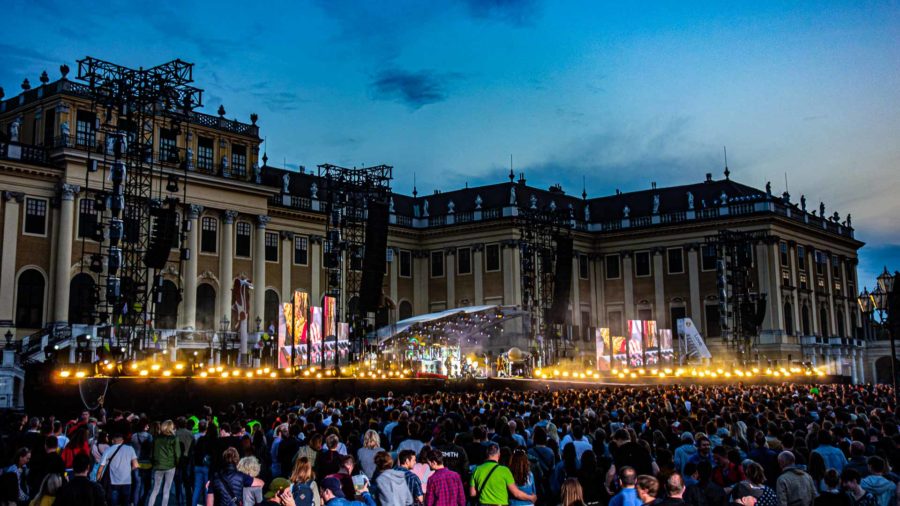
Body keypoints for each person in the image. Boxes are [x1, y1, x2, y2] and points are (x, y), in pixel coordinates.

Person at [470, 444, 536, 506]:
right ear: (499, 455)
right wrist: (531, 497)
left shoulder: (476, 469)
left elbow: (472, 493)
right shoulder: (505, 470)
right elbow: (516, 493)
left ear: (486, 454)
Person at [147, 419, 182, 506]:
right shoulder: (174, 439)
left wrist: (154, 463)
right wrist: (176, 464)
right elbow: (178, 454)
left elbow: (151, 454)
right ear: (171, 427)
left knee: (155, 490)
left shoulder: (156, 439)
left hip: (158, 466)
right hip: (170, 466)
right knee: (166, 490)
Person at [97, 433, 138, 506]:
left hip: (113, 482)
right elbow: (135, 465)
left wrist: (98, 478)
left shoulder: (108, 450)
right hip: (127, 481)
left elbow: (101, 467)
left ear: (113, 441)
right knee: (125, 502)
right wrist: (128, 471)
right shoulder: (130, 449)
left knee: (114, 503)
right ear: (122, 441)